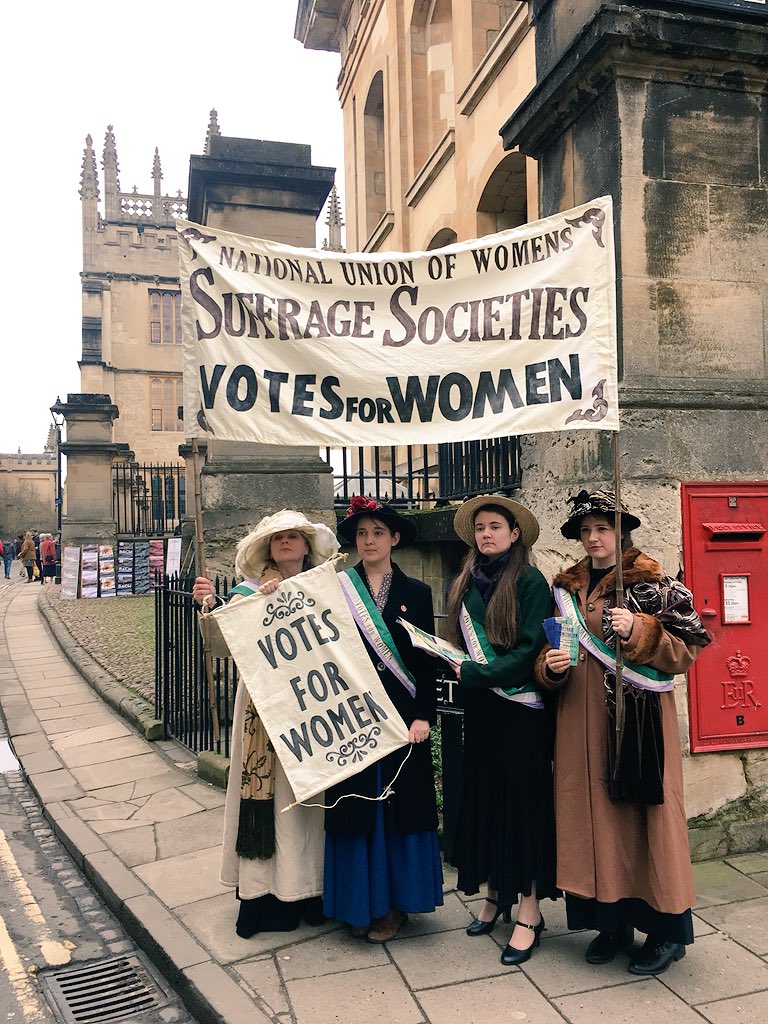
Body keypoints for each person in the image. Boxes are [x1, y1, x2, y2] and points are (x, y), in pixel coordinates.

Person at [537, 488, 711, 976]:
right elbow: (550, 653)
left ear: (621, 531)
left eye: (603, 527)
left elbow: (687, 653)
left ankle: (665, 932)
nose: (594, 538)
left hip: (637, 724)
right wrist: (548, 667)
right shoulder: (565, 590)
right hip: (578, 723)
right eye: (585, 530)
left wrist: (638, 628)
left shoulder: (657, 584)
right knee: (594, 821)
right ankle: (610, 923)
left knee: (646, 822)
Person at [192, 510, 340, 938]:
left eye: (295, 536)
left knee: (307, 805)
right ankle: (263, 897)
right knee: (269, 803)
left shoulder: (323, 587)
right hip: (264, 710)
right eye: (279, 539)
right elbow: (222, 644)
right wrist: (213, 606)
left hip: (312, 709)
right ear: (268, 550)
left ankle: (308, 892)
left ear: (307, 547)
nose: (288, 542)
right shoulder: (249, 592)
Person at [443, 495, 557, 966]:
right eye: (481, 528)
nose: (486, 534)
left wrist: (473, 674)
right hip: (485, 713)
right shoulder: (467, 581)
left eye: (496, 527)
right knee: (488, 801)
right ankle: (496, 896)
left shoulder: (529, 581)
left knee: (520, 809)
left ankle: (528, 911)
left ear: (514, 535)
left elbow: (529, 650)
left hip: (520, 713)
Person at [323, 496, 443, 943]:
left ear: (394, 538)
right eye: (361, 534)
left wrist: (423, 716)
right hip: (353, 718)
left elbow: (426, 659)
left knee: (397, 809)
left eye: (377, 533)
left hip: (400, 718)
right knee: (356, 806)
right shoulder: (337, 588)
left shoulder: (417, 593)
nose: (369, 541)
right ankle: (357, 901)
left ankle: (394, 905)